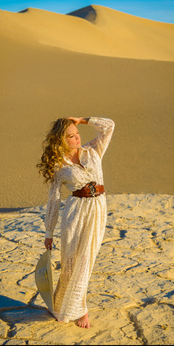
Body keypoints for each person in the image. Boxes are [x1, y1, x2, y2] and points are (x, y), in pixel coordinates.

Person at [36, 116, 115, 328]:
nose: (77, 138)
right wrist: (49, 232)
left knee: (86, 261)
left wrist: (83, 120)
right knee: (70, 264)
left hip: (97, 210)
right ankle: (60, 305)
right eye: (71, 136)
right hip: (75, 213)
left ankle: (81, 310)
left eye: (77, 134)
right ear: (61, 141)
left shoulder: (93, 150)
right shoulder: (59, 166)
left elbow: (109, 126)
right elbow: (54, 199)